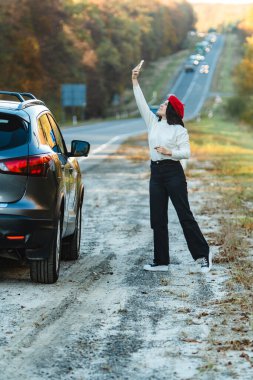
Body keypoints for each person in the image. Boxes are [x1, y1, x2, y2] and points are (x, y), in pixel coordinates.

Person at [132, 60, 212, 273]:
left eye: (165, 104)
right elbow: (141, 103)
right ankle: (161, 262)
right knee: (157, 218)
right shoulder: (153, 123)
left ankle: (203, 256)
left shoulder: (179, 131)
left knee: (184, 215)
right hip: (156, 173)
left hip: (173, 173)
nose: (161, 105)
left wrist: (170, 152)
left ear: (171, 110)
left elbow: (186, 153)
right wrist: (135, 81)